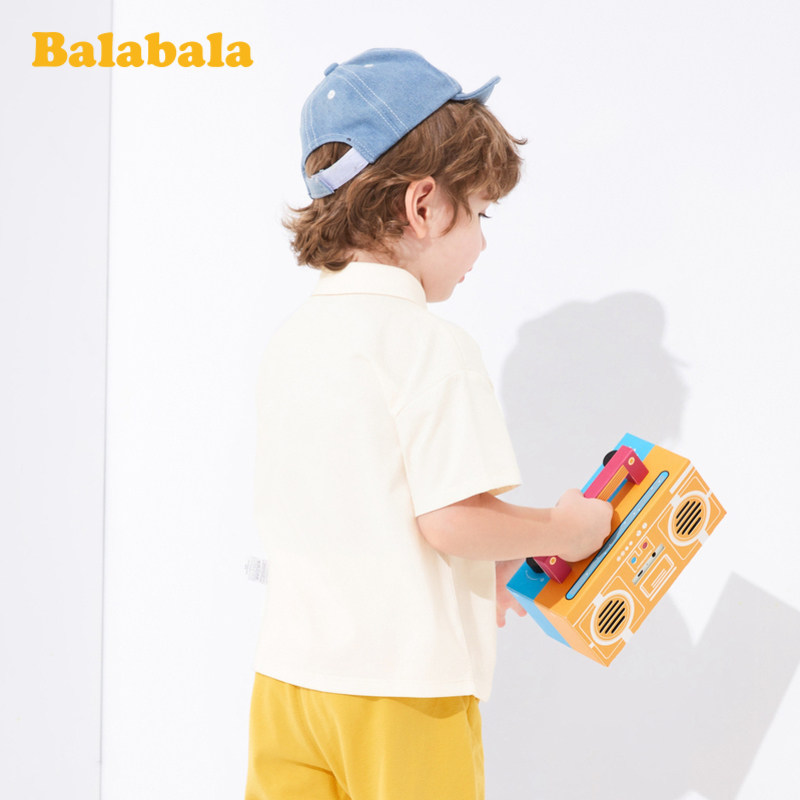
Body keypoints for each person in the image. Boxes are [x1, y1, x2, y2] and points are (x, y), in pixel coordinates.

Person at [245, 48, 612, 800]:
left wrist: (489, 569)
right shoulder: (430, 345)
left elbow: (358, 507)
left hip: (288, 685)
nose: (482, 240)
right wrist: (563, 531)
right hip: (404, 692)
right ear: (423, 205)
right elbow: (450, 520)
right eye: (478, 212)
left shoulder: (294, 338)